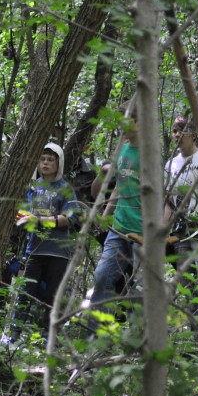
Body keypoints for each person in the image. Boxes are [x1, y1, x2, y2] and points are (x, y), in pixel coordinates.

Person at [4, 143, 80, 342]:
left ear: (59, 163)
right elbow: (26, 213)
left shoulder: (65, 189)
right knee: (25, 292)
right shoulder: (33, 187)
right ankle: (13, 335)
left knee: (52, 296)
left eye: (51, 160)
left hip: (58, 252)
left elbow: (70, 218)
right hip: (34, 249)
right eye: (43, 159)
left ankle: (48, 338)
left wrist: (40, 221)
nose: (46, 163)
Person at [87, 107, 142, 332]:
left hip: (142, 232)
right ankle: (93, 338)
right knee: (102, 277)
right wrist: (106, 215)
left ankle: (138, 340)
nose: (121, 127)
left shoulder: (151, 153)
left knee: (138, 289)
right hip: (118, 229)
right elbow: (118, 187)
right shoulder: (123, 150)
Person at [164, 114, 198, 315]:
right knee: (188, 282)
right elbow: (168, 201)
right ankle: (195, 336)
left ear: (194, 134)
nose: (177, 135)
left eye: (181, 130)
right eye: (174, 130)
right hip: (180, 231)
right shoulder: (170, 165)